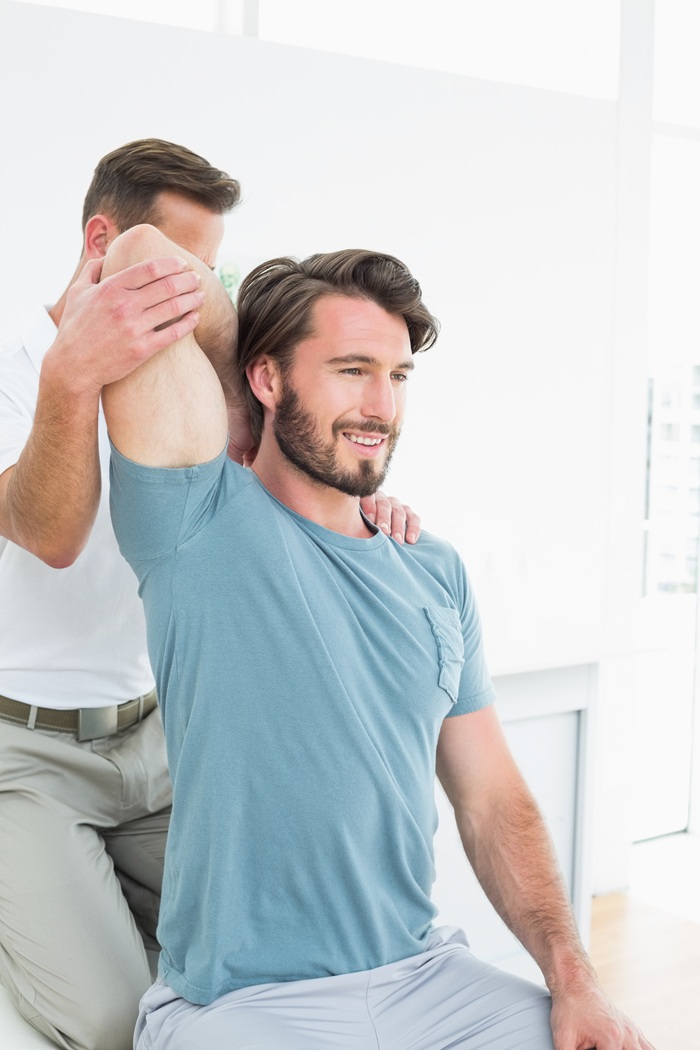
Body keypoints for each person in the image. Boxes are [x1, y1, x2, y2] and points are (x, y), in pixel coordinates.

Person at [102, 223, 653, 1050]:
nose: (381, 406)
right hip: (242, 1007)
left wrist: (575, 982)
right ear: (266, 377)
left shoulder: (433, 569)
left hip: (426, 981)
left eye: (397, 375)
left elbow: (493, 799)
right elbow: (141, 254)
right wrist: (244, 382)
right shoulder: (198, 520)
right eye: (351, 370)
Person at [0, 138, 422, 1050]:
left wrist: (360, 498)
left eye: (211, 273)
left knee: (279, 955)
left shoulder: (188, 390)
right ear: (102, 239)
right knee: (120, 1023)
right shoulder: (12, 365)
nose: (194, 294)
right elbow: (50, 533)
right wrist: (71, 372)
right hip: (23, 757)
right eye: (182, 265)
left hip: (155, 741)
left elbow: (286, 498)